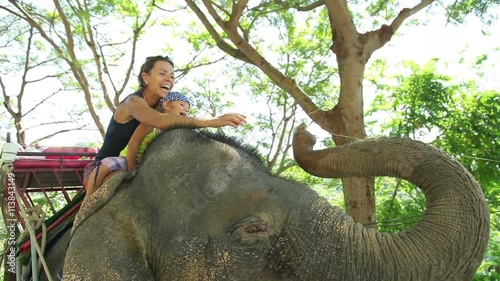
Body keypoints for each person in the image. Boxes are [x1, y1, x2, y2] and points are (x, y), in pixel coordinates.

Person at [83, 55, 246, 200]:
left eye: (172, 76)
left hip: (143, 167)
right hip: (106, 166)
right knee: (122, 185)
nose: (169, 79)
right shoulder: (133, 102)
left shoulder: (165, 114)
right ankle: (86, 211)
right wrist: (211, 121)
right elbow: (159, 120)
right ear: (145, 77)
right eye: (162, 74)